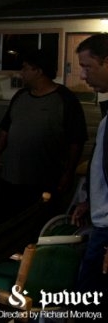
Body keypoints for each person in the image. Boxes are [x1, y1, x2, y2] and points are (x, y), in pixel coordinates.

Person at [0, 49, 88, 218]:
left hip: (44, 181)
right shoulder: (20, 96)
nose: (21, 72)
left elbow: (76, 141)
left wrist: (68, 173)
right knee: (7, 221)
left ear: (39, 71)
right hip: (11, 178)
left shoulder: (65, 99)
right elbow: (6, 129)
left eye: (25, 68)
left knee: (38, 223)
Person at [72, 33, 108, 316]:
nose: (83, 76)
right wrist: (91, 201)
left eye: (88, 67)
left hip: (106, 232)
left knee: (87, 305)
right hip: (100, 223)